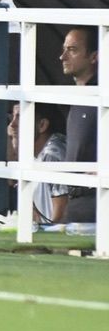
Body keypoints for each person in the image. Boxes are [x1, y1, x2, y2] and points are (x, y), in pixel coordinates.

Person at [59, 26, 99, 224]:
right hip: (75, 200)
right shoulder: (77, 97)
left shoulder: (102, 96)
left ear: (94, 57)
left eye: (72, 50)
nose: (62, 57)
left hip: (96, 201)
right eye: (64, 49)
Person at [5, 101, 66, 225]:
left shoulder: (53, 153)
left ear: (42, 125)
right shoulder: (30, 151)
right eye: (12, 117)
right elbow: (10, 181)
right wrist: (10, 139)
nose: (12, 125)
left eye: (20, 118)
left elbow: (61, 211)